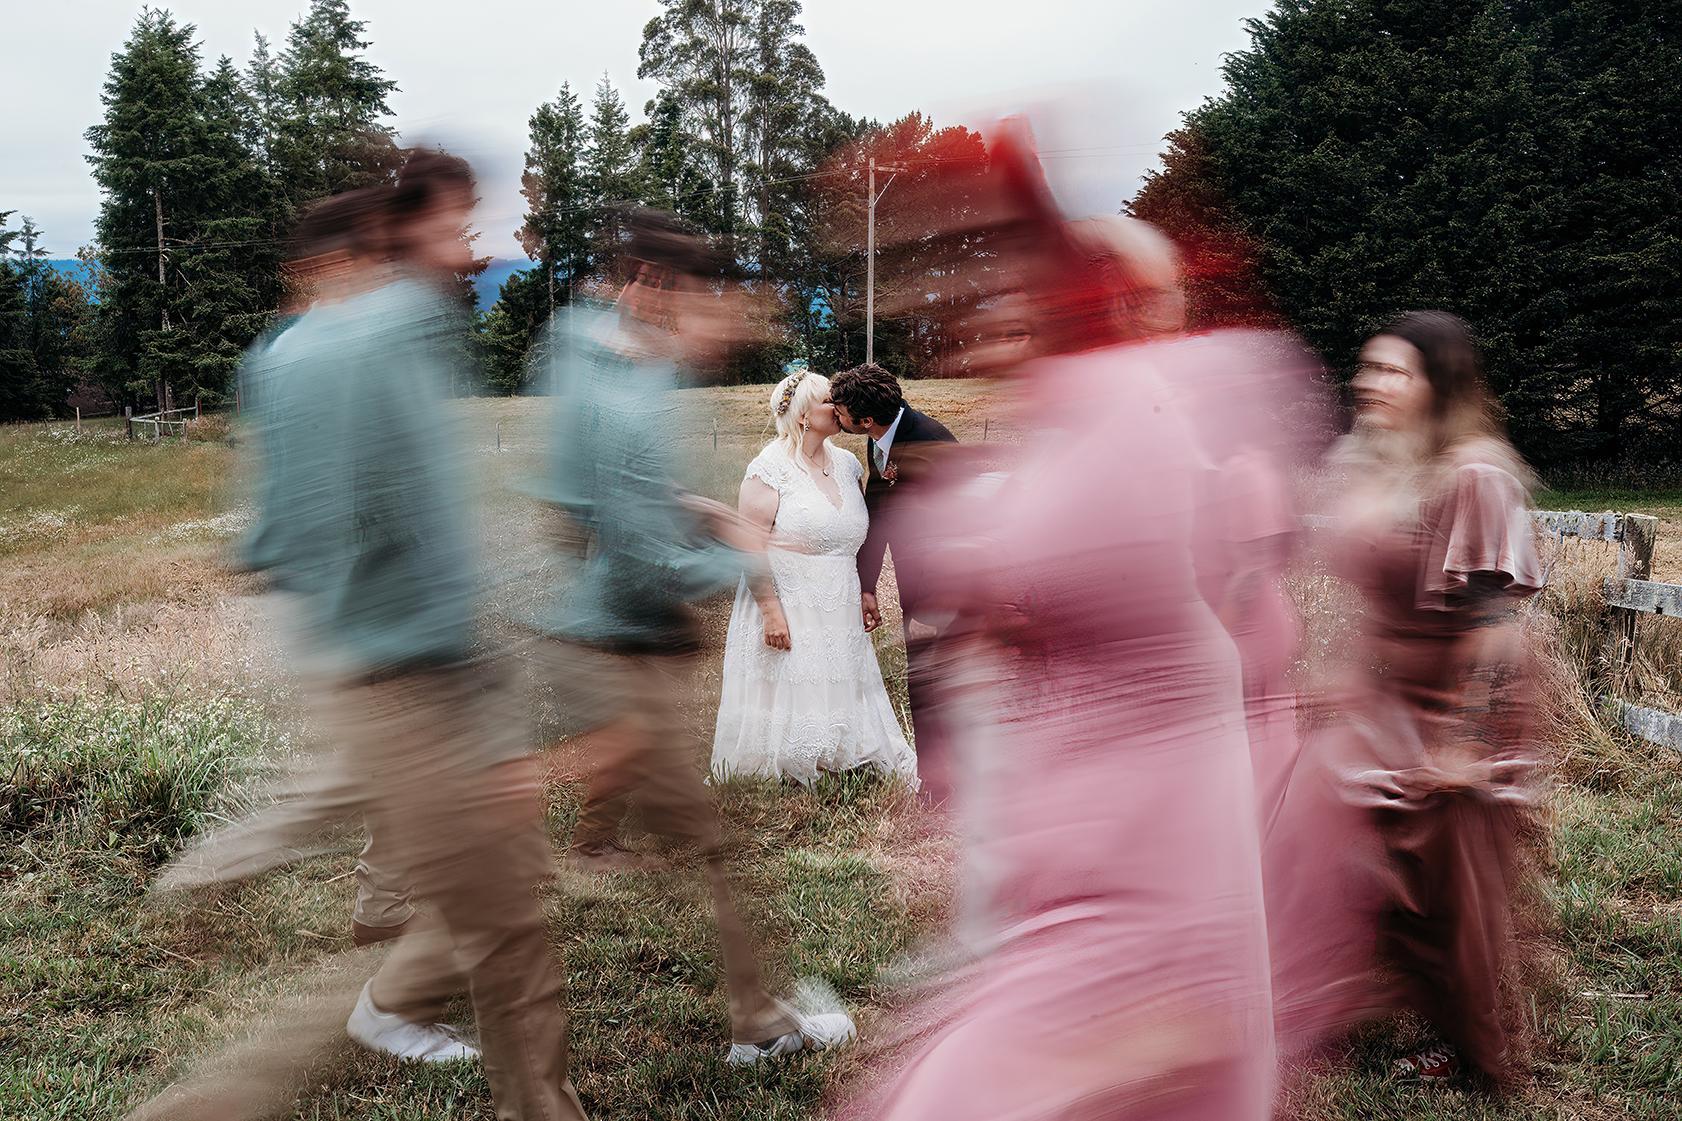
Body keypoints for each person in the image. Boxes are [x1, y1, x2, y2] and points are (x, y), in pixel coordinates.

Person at [830, 125, 1276, 1121]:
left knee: (1007, 1076)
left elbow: (1035, 567)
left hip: (1142, 797)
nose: (992, 323)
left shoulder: (1135, 410)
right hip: (1097, 773)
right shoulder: (1091, 417)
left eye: (1023, 303)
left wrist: (1013, 185)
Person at [131, 174, 588, 1121]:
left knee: (484, 912)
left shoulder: (284, 354)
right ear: (395, 234)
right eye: (457, 223)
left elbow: (270, 536)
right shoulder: (388, 341)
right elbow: (429, 535)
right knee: (503, 930)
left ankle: (227, 876)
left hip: (349, 660)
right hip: (418, 677)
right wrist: (486, 705)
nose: (473, 247)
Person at [524, 208, 858, 1064]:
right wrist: (740, 555)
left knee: (677, 832)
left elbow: (585, 502)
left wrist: (687, 508)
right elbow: (641, 553)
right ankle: (759, 1022)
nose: (717, 319)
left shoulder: (583, 351)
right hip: (614, 639)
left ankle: (417, 968)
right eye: (704, 298)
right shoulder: (628, 390)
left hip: (601, 632)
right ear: (655, 287)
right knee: (706, 842)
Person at [1267, 310, 1545, 1087]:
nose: (1371, 383)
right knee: (1317, 832)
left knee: (1447, 881)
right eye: (1368, 367)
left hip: (1463, 694)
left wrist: (1464, 739)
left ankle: (1472, 1045)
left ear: (1437, 384)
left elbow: (1493, 625)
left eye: (1394, 371)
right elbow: (1371, 598)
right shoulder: (1372, 464)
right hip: (1383, 696)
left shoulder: (1474, 474)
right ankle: (1326, 1000)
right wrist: (1342, 675)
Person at [709, 361, 918, 785]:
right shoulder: (769, 468)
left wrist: (866, 589)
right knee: (795, 678)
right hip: (789, 598)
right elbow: (749, 546)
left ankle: (842, 748)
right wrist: (771, 612)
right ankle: (792, 758)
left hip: (839, 596)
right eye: (828, 400)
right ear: (804, 415)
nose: (838, 405)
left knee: (838, 675)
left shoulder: (849, 464)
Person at [827, 362, 958, 797]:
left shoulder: (931, 443)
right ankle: (939, 783)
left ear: (865, 419)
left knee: (937, 685)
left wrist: (935, 608)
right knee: (925, 683)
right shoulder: (881, 437)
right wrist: (867, 585)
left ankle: (945, 788)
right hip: (915, 584)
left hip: (944, 590)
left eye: (841, 411)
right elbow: (881, 514)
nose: (835, 414)